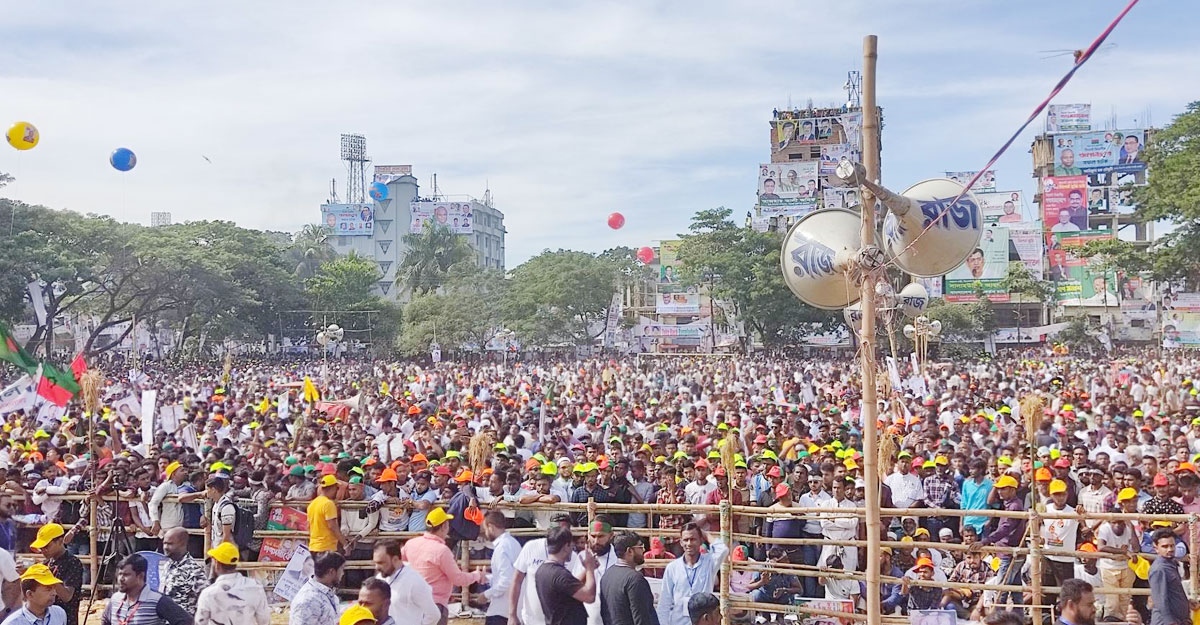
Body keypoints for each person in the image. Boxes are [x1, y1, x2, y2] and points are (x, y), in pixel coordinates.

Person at [400, 507, 483, 625]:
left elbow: (399, 565)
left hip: (412, 603)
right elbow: (458, 579)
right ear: (444, 526)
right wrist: (476, 576)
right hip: (435, 604)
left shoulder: (411, 544)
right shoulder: (442, 551)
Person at [657, 523, 728, 625]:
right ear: (681, 542)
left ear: (700, 540)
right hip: (678, 622)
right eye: (686, 540)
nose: (689, 543)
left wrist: (705, 534)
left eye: (693, 539)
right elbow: (664, 602)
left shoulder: (709, 562)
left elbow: (723, 549)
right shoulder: (673, 567)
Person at [100, 554, 192, 625]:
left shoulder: (157, 600)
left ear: (140, 576)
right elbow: (105, 620)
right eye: (120, 574)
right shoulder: (115, 598)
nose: (120, 579)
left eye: (126, 575)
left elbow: (186, 621)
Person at [195, 542, 269, 625]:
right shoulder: (255, 587)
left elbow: (200, 622)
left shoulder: (208, 594)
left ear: (216, 563)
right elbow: (264, 621)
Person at [535, 526, 597, 625]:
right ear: (565, 547)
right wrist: (590, 568)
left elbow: (569, 587)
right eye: (571, 546)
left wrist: (587, 570)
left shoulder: (542, 570)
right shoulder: (559, 574)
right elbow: (589, 596)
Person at [373, 540, 439, 625]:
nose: (377, 567)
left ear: (395, 559)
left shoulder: (414, 580)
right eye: (375, 563)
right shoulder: (379, 578)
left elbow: (433, 615)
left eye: (381, 563)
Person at [599, 532, 658, 625]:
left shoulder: (607, 574)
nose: (644, 550)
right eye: (640, 547)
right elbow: (641, 618)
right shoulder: (635, 579)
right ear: (629, 551)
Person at [30, 524, 82, 625]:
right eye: (41, 547)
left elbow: (67, 596)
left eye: (47, 546)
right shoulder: (46, 563)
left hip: (66, 619)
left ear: (59, 541)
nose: (43, 550)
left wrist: (48, 577)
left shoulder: (72, 563)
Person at [478, 512, 521, 625]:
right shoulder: (513, 543)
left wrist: (486, 595)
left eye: (485, 529)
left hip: (501, 610)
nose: (485, 533)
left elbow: (507, 580)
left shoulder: (501, 548)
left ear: (490, 527)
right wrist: (488, 578)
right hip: (511, 608)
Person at [1149, 528, 1193, 625]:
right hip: (1166, 621)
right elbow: (1160, 599)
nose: (1170, 549)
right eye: (1165, 546)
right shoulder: (1160, 569)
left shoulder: (1172, 564)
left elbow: (1175, 593)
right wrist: (1170, 621)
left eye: (1172, 546)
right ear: (1156, 548)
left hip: (1179, 619)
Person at [289, 552, 345, 625]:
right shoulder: (307, 600)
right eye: (342, 569)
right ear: (331, 572)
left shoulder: (327, 593)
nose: (343, 573)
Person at [161, 527, 206, 615]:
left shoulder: (194, 571)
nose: (165, 547)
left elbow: (205, 602)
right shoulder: (168, 565)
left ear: (182, 544)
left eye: (170, 544)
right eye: (164, 543)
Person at [2, 565, 67, 625]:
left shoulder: (59, 614)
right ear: (30, 594)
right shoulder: (12, 623)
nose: (54, 593)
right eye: (48, 589)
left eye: (54, 588)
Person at [308, 474, 345, 555]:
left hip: (314, 546)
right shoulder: (328, 504)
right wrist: (345, 543)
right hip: (326, 547)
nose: (337, 491)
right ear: (332, 488)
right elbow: (333, 526)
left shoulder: (313, 503)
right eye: (337, 488)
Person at [205, 474, 238, 549]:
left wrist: (221, 552)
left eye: (207, 489)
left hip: (224, 550)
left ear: (213, 490)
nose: (206, 492)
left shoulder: (226, 508)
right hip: (216, 546)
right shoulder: (217, 504)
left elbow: (226, 535)